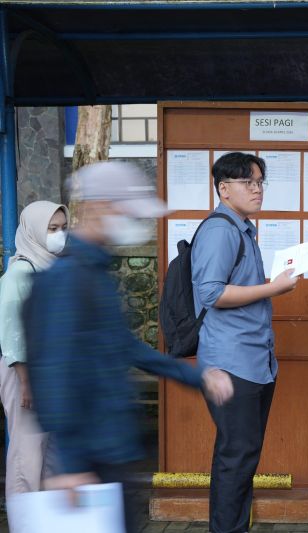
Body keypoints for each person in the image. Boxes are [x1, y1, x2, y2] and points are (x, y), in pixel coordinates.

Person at [25, 161, 233, 533]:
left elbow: (124, 346)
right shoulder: (68, 280)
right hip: (89, 457)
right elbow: (54, 371)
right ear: (102, 207)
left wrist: (197, 374)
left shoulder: (94, 274)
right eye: (130, 212)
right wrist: (70, 465)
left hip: (110, 447)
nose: (136, 224)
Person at [191, 152, 298, 533]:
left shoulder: (242, 228)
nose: (257, 190)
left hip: (252, 361)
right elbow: (211, 293)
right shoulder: (221, 229)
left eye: (259, 182)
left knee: (243, 455)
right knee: (236, 457)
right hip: (231, 362)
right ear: (224, 188)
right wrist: (273, 287)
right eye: (247, 183)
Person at [0, 201, 68, 498]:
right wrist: (26, 382)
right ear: (33, 232)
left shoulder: (51, 269)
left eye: (64, 228)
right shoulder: (19, 274)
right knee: (27, 452)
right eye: (52, 229)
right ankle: (24, 521)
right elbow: (12, 333)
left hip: (49, 372)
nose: (59, 235)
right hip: (25, 373)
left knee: (50, 452)